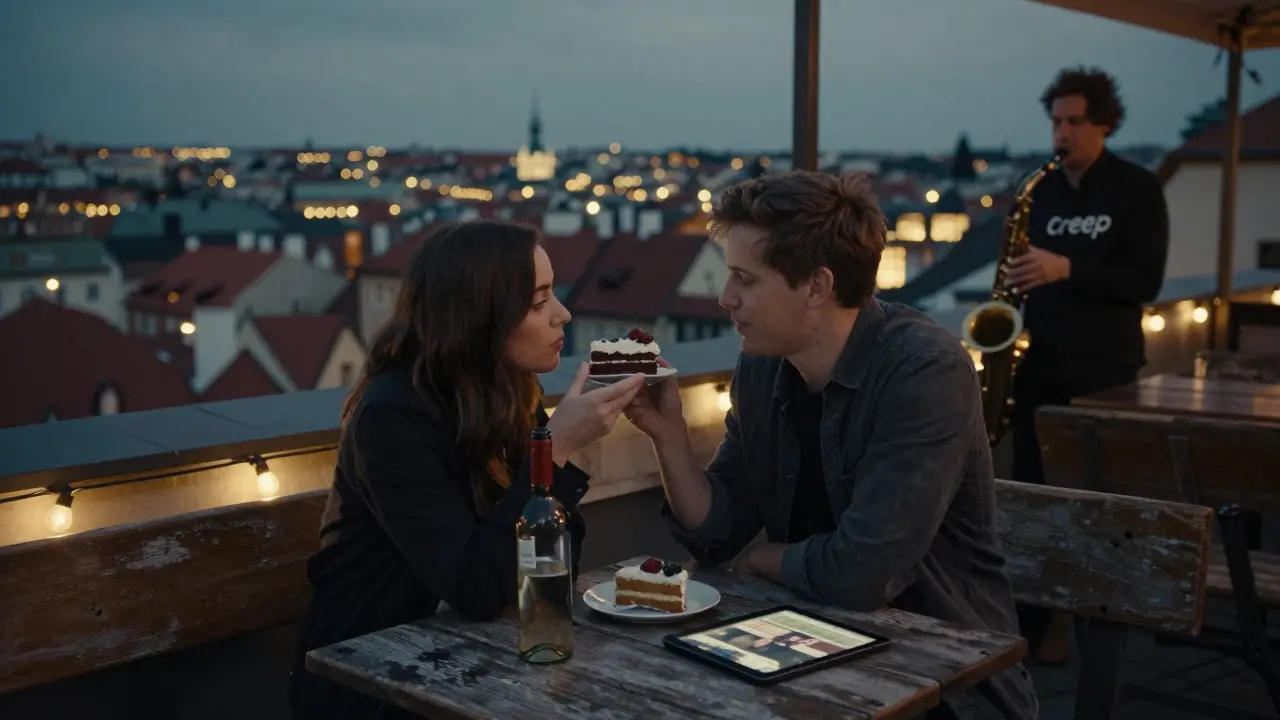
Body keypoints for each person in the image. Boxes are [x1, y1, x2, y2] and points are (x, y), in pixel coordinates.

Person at [625, 171, 1039, 719]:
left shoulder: (923, 371)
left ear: (817, 286)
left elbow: (862, 574)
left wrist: (767, 558)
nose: (726, 298)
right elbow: (719, 533)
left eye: (746, 280)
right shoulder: (762, 365)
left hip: (946, 679)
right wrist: (669, 437)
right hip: (811, 649)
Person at [289, 221, 645, 719]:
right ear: (481, 319)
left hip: (476, 659)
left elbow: (553, 570)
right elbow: (478, 587)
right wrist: (556, 446)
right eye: (539, 301)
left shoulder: (509, 392)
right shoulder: (392, 418)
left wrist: (549, 451)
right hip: (374, 684)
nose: (562, 314)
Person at [1004, 67, 1169, 663]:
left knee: (1095, 509)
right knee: (1030, 503)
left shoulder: (1136, 189)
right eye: (1056, 121)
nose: (1063, 133)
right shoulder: (1038, 190)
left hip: (1107, 373)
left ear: (1104, 124)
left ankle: (1097, 633)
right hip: (1041, 364)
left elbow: (1145, 280)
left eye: (1075, 121)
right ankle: (1035, 628)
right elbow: (1021, 274)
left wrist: (1067, 268)